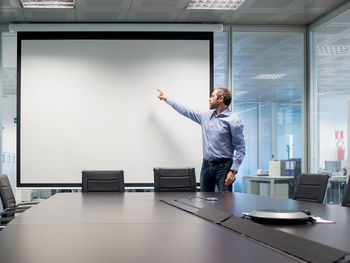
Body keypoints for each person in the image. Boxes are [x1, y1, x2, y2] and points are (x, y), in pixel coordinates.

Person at [156, 88, 245, 192]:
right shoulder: (206, 116)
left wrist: (233, 171)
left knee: (225, 202)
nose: (209, 99)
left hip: (224, 167)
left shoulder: (233, 120)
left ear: (220, 99)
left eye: (212, 96)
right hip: (206, 167)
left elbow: (240, 148)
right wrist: (167, 99)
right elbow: (186, 110)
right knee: (205, 201)